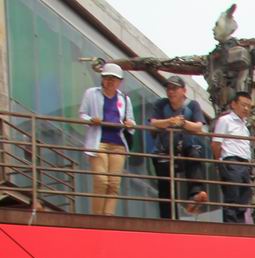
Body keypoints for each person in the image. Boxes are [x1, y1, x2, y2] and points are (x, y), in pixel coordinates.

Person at [77, 62, 136, 217]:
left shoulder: (124, 99)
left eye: (114, 79)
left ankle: (108, 216)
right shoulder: (91, 93)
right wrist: (91, 120)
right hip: (99, 142)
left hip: (118, 144)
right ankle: (98, 216)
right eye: (107, 78)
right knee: (101, 181)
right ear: (102, 78)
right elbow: (82, 114)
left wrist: (130, 124)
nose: (110, 81)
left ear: (120, 82)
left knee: (114, 184)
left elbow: (131, 122)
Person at [146, 75, 208, 219]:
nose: (171, 92)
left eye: (174, 88)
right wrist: (170, 121)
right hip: (164, 149)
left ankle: (196, 194)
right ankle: (168, 218)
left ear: (184, 90)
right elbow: (153, 123)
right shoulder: (161, 104)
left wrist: (183, 123)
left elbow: (199, 126)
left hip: (185, 147)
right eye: (168, 88)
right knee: (165, 186)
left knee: (194, 155)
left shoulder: (192, 105)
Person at [211, 91, 254, 224]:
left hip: (245, 164)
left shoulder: (245, 125)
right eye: (243, 105)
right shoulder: (225, 120)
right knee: (232, 195)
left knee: (245, 195)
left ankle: (240, 225)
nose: (246, 108)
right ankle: (231, 226)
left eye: (248, 106)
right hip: (231, 161)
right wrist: (220, 162)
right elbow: (216, 143)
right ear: (233, 104)